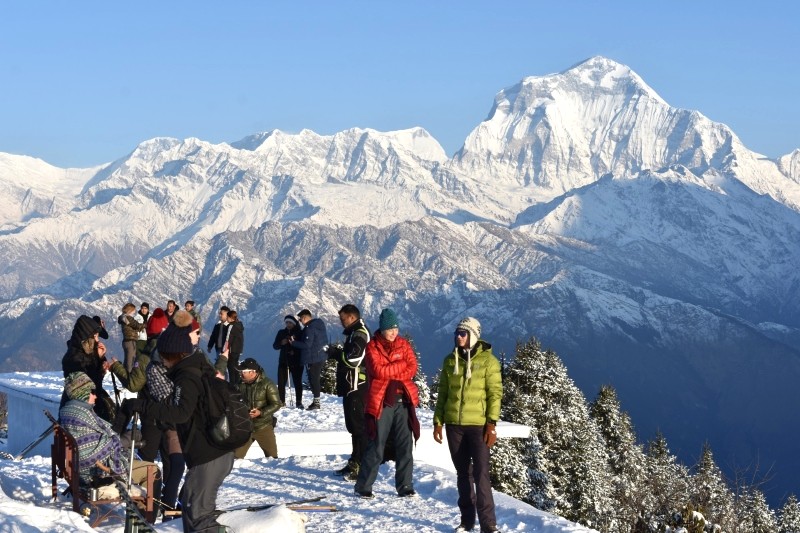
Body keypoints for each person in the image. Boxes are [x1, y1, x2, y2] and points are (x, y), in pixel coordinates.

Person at [122, 311, 233, 533]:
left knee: (199, 519)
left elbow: (180, 412)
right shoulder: (195, 367)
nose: (160, 359)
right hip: (211, 451)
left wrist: (141, 406)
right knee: (193, 513)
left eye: (163, 355)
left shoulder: (187, 376)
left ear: (173, 354)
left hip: (208, 454)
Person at [433, 317, 502, 533]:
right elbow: (443, 393)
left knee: (481, 474)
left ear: (473, 336)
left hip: (478, 426)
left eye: (463, 333)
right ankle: (467, 521)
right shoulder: (449, 361)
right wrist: (438, 422)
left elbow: (495, 394)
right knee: (463, 473)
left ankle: (488, 524)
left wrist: (491, 424)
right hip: (454, 425)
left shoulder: (489, 362)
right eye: (456, 333)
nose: (458, 337)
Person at [58, 371, 161, 499]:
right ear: (82, 393)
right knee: (153, 470)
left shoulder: (69, 411)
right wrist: (125, 440)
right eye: (92, 392)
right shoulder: (82, 416)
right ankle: (144, 515)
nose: (95, 397)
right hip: (97, 472)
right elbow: (92, 452)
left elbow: (92, 444)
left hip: (81, 468)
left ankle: (139, 511)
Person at [354, 308, 419, 499]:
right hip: (381, 401)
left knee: (405, 445)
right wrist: (400, 367)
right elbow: (378, 371)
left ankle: (405, 485)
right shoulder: (372, 347)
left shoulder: (404, 344)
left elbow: (412, 367)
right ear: (382, 329)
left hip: (403, 401)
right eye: (390, 329)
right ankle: (363, 486)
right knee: (377, 445)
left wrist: (392, 368)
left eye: (396, 328)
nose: (394, 333)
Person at [329, 304, 370, 480]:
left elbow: (354, 359)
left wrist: (336, 353)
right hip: (350, 386)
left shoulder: (360, 333)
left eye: (343, 318)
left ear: (352, 317)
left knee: (359, 427)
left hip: (357, 386)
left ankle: (362, 465)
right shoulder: (354, 332)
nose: (341, 322)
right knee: (353, 426)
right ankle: (355, 461)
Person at [61, 315, 116, 423]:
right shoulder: (74, 358)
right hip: (81, 412)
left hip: (87, 407)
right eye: (95, 336)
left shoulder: (87, 354)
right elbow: (87, 385)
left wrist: (100, 360)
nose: (97, 340)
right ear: (87, 338)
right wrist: (98, 362)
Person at [234, 358, 281, 459]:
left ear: (252, 372)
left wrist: (261, 412)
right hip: (245, 427)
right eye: (240, 372)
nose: (241, 374)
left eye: (244, 372)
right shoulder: (239, 384)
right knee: (235, 458)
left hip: (263, 427)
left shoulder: (268, 384)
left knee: (273, 459)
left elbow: (277, 404)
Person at [291, 309, 327, 410]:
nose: (300, 322)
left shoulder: (309, 328)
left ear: (304, 318)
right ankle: (316, 401)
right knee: (315, 378)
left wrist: (293, 343)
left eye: (300, 319)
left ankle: (316, 403)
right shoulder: (318, 324)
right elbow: (305, 334)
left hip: (313, 358)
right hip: (321, 355)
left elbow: (306, 344)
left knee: (313, 379)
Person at [273, 315, 303, 408]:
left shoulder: (299, 333)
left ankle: (299, 401)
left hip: (296, 362)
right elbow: (275, 346)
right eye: (287, 322)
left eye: (290, 323)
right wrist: (281, 343)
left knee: (297, 381)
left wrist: (295, 351)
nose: (288, 324)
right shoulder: (281, 332)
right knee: (281, 382)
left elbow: (303, 346)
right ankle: (281, 401)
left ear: (294, 323)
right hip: (283, 361)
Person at [216, 310, 244, 386]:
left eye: (228, 317)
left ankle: (232, 384)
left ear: (230, 317)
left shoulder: (231, 326)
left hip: (231, 349)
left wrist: (224, 350)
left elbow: (228, 339)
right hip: (238, 349)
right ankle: (237, 383)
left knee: (230, 366)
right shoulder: (239, 325)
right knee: (235, 366)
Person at [118, 302, 146, 371]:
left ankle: (124, 374)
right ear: (130, 310)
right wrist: (145, 324)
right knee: (131, 361)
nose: (134, 312)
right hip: (131, 341)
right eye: (134, 310)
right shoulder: (128, 318)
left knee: (127, 360)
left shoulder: (124, 318)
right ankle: (129, 376)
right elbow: (137, 325)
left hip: (126, 341)